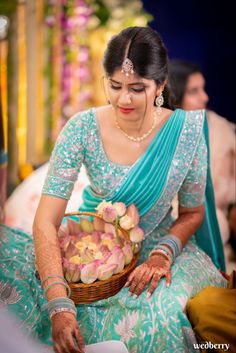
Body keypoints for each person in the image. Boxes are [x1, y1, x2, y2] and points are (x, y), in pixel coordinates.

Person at [0, 26, 227, 353]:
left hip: (158, 254)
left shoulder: (186, 132)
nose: (124, 98)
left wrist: (164, 254)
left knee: (158, 319)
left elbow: (193, 212)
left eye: (138, 88)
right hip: (91, 246)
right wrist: (59, 303)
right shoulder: (81, 128)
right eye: (115, 85)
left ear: (160, 85)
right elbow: (45, 221)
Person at [168, 59, 236, 248]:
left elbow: (220, 193)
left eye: (203, 89)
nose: (205, 97)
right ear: (174, 94)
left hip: (209, 217)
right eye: (193, 91)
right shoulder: (160, 130)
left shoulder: (218, 129)